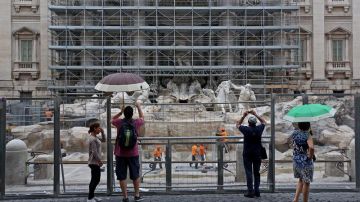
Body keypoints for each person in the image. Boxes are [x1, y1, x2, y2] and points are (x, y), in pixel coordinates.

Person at [112, 101, 145, 202]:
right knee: (135, 174)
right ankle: (137, 195)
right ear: (132, 114)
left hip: (120, 153)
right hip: (133, 152)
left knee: (122, 176)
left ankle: (125, 197)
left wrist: (120, 112)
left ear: (125, 114)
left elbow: (111, 119)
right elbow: (143, 118)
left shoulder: (119, 122)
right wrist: (138, 106)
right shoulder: (136, 122)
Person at [236, 109, 266, 198]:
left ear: (248, 123)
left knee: (249, 172)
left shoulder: (245, 129)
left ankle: (250, 191)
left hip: (247, 153)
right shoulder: (259, 129)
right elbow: (264, 122)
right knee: (257, 172)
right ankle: (257, 191)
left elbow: (237, 124)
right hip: (257, 153)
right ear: (255, 122)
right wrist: (256, 114)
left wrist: (244, 115)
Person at [292, 122, 314, 202]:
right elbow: (311, 148)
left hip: (296, 160)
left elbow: (294, 145)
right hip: (305, 161)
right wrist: (310, 157)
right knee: (306, 182)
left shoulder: (294, 133)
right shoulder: (307, 135)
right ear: (308, 126)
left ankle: (296, 199)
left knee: (301, 179)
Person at [87, 122, 106, 202]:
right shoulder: (92, 139)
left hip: (95, 162)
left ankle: (92, 196)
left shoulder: (95, 137)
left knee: (95, 179)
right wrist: (99, 161)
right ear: (94, 128)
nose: (99, 129)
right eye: (98, 128)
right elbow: (94, 152)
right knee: (95, 180)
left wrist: (102, 133)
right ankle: (90, 198)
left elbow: (104, 140)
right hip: (94, 162)